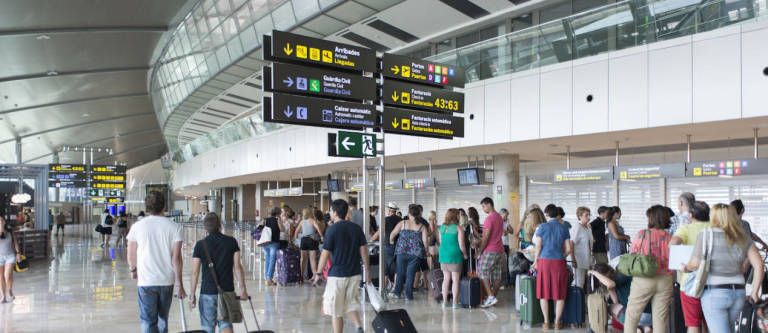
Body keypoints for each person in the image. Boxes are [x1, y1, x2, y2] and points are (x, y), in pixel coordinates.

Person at [683, 203, 764, 333]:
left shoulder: (706, 234)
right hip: (738, 293)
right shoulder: (742, 237)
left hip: (714, 293)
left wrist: (686, 267)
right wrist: (755, 291)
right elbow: (759, 264)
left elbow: (696, 263)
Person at [126, 191, 185, 333]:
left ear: (147, 207)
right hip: (167, 281)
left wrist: (133, 270)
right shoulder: (175, 227)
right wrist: (180, 284)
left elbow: (131, 254)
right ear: (164, 205)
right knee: (163, 319)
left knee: (147, 321)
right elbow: (176, 259)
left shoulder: (137, 227)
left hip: (146, 281)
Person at [312, 199, 370, 333]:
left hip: (337, 275)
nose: (330, 213)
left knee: (336, 311)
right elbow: (364, 252)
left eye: (331, 211)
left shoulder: (332, 230)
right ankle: (358, 326)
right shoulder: (356, 228)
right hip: (355, 273)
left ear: (336, 213)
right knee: (349, 304)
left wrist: (318, 274)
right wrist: (367, 271)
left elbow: (324, 255)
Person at [189, 212, 248, 333]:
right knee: (226, 325)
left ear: (205, 227)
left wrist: (192, 295)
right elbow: (237, 267)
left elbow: (195, 272)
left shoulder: (200, 245)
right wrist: (243, 290)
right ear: (220, 225)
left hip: (207, 292)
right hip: (227, 291)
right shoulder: (231, 241)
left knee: (207, 328)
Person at [622, 205, 674, 333]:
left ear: (651, 218)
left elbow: (632, 254)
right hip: (666, 279)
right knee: (660, 318)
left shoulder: (642, 234)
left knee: (632, 315)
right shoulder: (670, 238)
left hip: (644, 278)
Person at [669, 201, 710, 333]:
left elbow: (673, 243)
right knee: (711, 321)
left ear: (691, 215)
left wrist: (682, 257)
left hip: (690, 282)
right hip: (711, 280)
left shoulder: (686, 229)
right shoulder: (715, 228)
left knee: (693, 322)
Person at [532, 204, 572, 329]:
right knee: (559, 293)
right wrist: (562, 256)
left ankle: (546, 322)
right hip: (559, 262)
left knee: (544, 292)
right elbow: (569, 249)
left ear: (547, 214)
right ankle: (557, 322)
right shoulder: (564, 228)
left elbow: (538, 246)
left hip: (544, 261)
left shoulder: (542, 227)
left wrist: (535, 261)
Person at [587, 263, 653, 330]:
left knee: (610, 308)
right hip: (649, 315)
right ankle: (645, 328)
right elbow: (616, 302)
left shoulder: (619, 276)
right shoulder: (615, 283)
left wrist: (594, 272)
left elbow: (610, 284)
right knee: (613, 307)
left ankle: (636, 329)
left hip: (643, 315)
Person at [389, 204, 430, 301]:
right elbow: (425, 242)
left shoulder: (402, 223)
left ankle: (397, 293)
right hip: (415, 254)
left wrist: (391, 241)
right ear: (418, 214)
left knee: (400, 273)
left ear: (409, 213)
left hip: (401, 252)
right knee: (410, 274)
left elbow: (393, 233)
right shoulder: (422, 227)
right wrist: (427, 252)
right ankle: (408, 295)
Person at [476, 198, 505, 308]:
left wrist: (479, 251)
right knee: (497, 275)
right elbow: (495, 234)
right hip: (500, 250)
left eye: (483, 206)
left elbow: (486, 237)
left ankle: (491, 297)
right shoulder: (499, 217)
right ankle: (491, 297)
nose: (483, 209)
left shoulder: (489, 219)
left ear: (489, 204)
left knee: (481, 271)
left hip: (490, 250)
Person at [437, 208, 467, 309]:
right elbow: (461, 244)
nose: (459, 216)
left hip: (443, 255)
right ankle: (455, 302)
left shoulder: (442, 227)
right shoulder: (458, 228)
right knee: (455, 280)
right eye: (458, 215)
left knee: (446, 279)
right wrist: (465, 254)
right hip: (454, 255)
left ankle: (445, 301)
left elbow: (440, 242)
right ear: (456, 216)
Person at [370, 202, 401, 291]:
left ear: (389, 211)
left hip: (387, 246)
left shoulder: (385, 220)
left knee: (385, 267)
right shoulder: (400, 220)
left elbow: (379, 233)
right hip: (398, 247)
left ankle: (383, 287)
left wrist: (371, 240)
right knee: (397, 268)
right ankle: (395, 287)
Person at [294, 206, 324, 285]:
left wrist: (297, 241)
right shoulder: (312, 220)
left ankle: (301, 277)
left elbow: (296, 232)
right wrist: (321, 236)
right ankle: (314, 276)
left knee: (303, 259)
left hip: (303, 241)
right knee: (312, 259)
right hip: (312, 240)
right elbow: (318, 229)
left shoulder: (302, 221)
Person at [570, 207, 593, 289]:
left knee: (586, 284)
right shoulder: (577, 227)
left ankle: (583, 301)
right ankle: (575, 301)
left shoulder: (588, 228)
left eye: (589, 215)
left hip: (587, 259)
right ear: (580, 216)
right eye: (586, 215)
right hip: (578, 260)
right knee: (578, 282)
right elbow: (571, 243)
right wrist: (573, 259)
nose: (589, 217)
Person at [0, 217, 21, 303]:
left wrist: (18, 253)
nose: (0, 222)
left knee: (7, 275)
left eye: (1, 220)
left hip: (10, 256)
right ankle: (3, 296)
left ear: (4, 222)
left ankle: (10, 291)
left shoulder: (10, 231)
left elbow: (15, 242)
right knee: (1, 277)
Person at [262, 207, 282, 286]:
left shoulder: (265, 220)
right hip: (274, 242)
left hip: (265, 242)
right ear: (277, 213)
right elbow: (282, 229)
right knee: (272, 261)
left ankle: (267, 278)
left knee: (267, 259)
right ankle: (269, 279)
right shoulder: (277, 220)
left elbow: (260, 228)